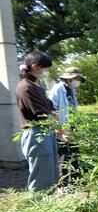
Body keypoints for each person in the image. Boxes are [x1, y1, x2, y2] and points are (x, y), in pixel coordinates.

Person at [16, 51, 59, 191]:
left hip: (45, 131)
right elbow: (42, 114)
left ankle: (48, 205)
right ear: (34, 66)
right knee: (41, 177)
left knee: (49, 172)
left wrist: (53, 114)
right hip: (37, 134)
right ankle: (39, 205)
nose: (46, 71)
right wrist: (54, 118)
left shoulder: (35, 85)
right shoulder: (26, 87)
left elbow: (49, 105)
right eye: (45, 67)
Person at [48, 67, 86, 182]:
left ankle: (75, 178)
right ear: (70, 79)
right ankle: (62, 182)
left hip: (72, 126)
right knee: (63, 155)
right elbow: (52, 110)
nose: (78, 81)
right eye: (77, 78)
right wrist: (57, 128)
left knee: (74, 153)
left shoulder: (71, 89)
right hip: (61, 127)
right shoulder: (57, 89)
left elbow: (73, 108)